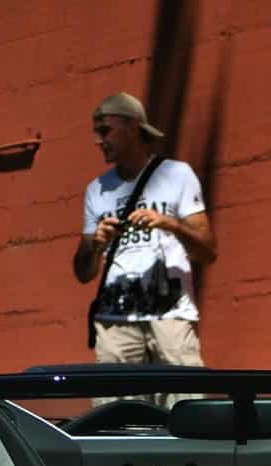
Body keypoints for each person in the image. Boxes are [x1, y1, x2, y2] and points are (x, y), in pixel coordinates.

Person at [71, 92, 215, 379]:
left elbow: (207, 251)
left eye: (105, 130)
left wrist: (169, 223)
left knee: (184, 406)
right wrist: (96, 244)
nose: (98, 141)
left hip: (171, 315)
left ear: (133, 127)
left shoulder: (177, 175)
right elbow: (84, 273)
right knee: (116, 412)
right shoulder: (96, 190)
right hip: (115, 323)